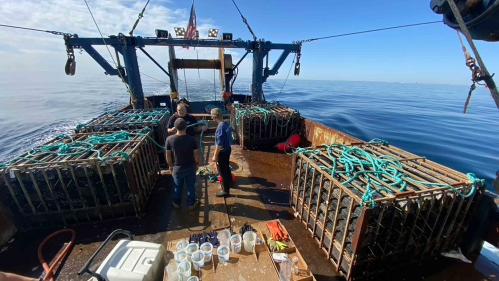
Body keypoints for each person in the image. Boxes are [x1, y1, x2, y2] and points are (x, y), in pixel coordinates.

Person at [165, 118, 200, 209]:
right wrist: (197, 164)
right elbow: (196, 154)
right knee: (190, 186)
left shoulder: (169, 139)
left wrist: (170, 166)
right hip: (190, 166)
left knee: (177, 187)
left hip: (177, 168)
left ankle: (176, 203)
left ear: (175, 127)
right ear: (186, 127)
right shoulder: (192, 139)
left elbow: (168, 156)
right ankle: (191, 204)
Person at [211, 108, 233, 197]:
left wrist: (215, 156)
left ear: (214, 116)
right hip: (228, 149)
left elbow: (219, 145)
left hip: (223, 152)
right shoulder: (226, 124)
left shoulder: (220, 127)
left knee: (223, 171)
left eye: (211, 115)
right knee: (226, 167)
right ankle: (230, 181)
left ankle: (226, 191)